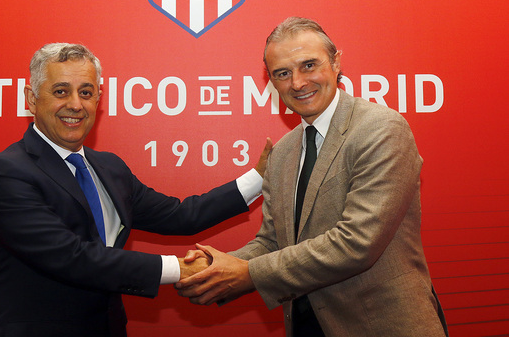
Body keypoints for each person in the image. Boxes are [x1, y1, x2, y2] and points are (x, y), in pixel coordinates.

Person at [176, 17, 449, 336]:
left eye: (309, 65)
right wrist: (213, 268)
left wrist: (248, 274)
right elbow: (273, 241)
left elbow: (357, 243)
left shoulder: (380, 129)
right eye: (282, 73)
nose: (297, 83)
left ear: (336, 63)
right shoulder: (282, 152)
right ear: (271, 82)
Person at [0, 43, 269, 337]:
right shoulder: (5, 172)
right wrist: (180, 269)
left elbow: (181, 216)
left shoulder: (109, 167)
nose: (76, 105)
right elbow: (71, 256)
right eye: (61, 91)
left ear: (98, 98)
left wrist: (261, 177)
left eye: (86, 93)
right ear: (32, 98)